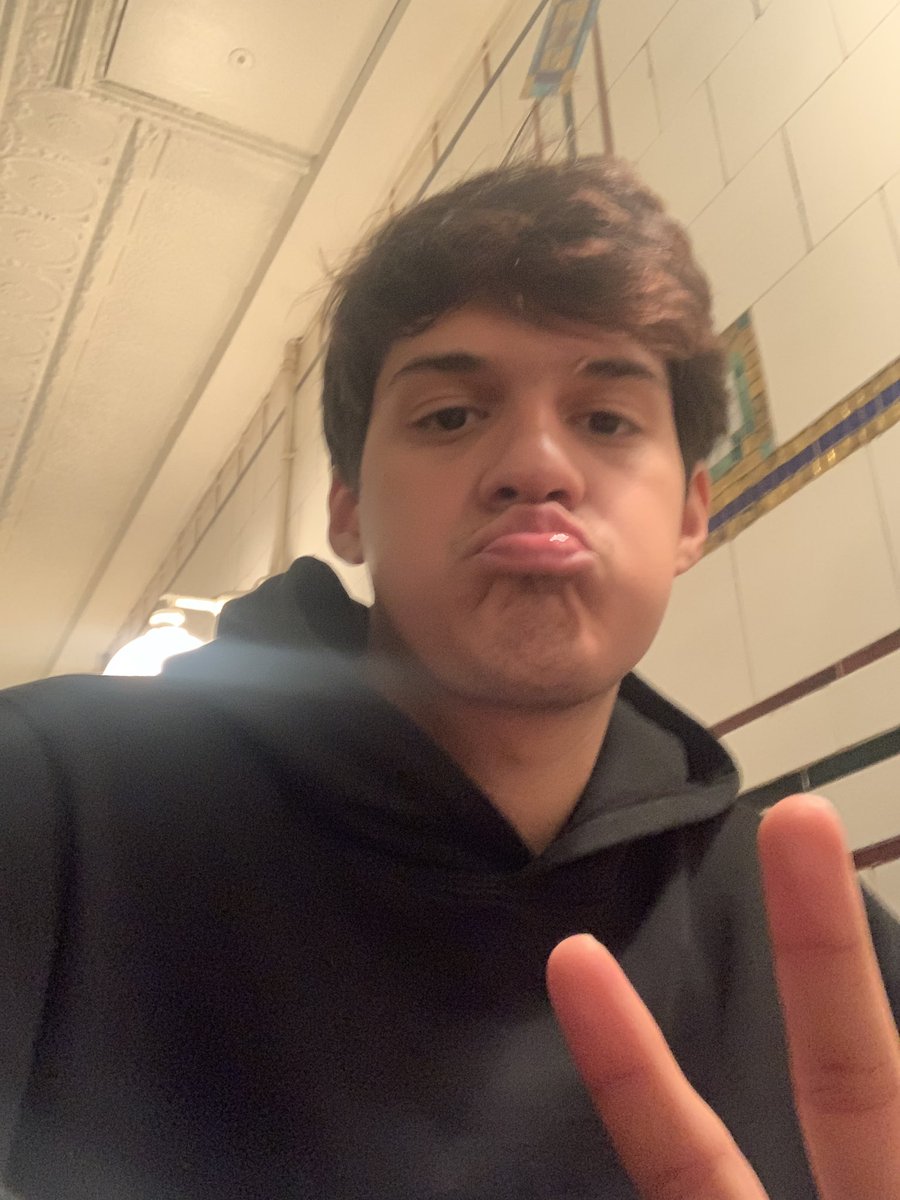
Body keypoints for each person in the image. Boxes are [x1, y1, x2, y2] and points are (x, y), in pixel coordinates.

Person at [0, 156, 897, 1200]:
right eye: (450, 416)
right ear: (347, 509)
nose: (536, 466)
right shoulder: (51, 798)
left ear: (693, 514)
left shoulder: (821, 943)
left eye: (607, 420)